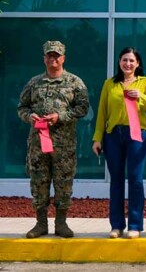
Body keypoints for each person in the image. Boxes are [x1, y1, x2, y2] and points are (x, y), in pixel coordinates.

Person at [17, 40, 89, 239]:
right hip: (38, 144)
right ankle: (41, 224)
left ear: (63, 58)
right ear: (44, 59)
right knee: (39, 182)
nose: (53, 59)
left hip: (63, 146)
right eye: (49, 55)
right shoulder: (34, 83)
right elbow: (22, 107)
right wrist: (29, 117)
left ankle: (61, 223)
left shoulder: (75, 83)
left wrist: (61, 117)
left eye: (56, 55)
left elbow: (82, 108)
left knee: (63, 183)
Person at [92, 47, 146, 239]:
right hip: (113, 135)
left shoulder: (145, 82)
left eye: (131, 61)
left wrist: (141, 97)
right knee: (116, 181)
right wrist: (97, 138)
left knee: (136, 180)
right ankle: (116, 225)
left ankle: (135, 225)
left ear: (138, 63)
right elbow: (102, 112)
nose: (127, 64)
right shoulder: (109, 84)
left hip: (138, 135)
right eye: (124, 60)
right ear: (119, 62)